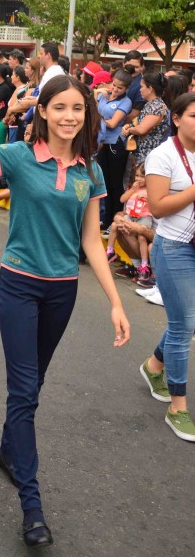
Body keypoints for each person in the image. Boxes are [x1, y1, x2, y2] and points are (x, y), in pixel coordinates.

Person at [0, 69, 130, 548]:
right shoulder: (19, 156)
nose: (68, 115)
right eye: (59, 107)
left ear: (87, 116)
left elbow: (91, 242)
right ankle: (32, 506)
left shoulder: (91, 170)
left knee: (33, 384)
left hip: (62, 291)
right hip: (19, 285)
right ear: (42, 111)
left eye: (77, 108)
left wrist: (117, 303)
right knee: (23, 392)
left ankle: (7, 450)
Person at [141, 93, 195, 442]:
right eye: (193, 115)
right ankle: (178, 405)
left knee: (187, 321)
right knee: (184, 325)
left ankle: (154, 365)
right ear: (176, 119)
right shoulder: (162, 156)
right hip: (174, 249)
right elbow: (158, 208)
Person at [96, 69, 133, 228]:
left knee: (115, 183)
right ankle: (106, 218)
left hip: (115, 144)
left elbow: (112, 123)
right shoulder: (103, 94)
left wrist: (97, 118)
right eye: (114, 85)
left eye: (120, 88)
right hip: (101, 142)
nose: (115, 89)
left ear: (126, 89)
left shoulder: (126, 102)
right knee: (103, 182)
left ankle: (114, 219)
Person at [105, 164, 153, 284]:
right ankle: (110, 251)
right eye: (136, 175)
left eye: (142, 176)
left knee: (142, 236)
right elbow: (122, 200)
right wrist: (133, 190)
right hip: (131, 216)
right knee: (116, 226)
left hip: (144, 218)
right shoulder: (132, 188)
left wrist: (148, 197)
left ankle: (144, 265)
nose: (138, 179)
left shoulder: (152, 190)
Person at [121, 71, 169, 167]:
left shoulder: (157, 106)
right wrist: (129, 126)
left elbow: (141, 129)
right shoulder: (150, 104)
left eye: (142, 86)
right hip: (143, 153)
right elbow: (139, 124)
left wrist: (130, 129)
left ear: (150, 89)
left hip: (149, 155)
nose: (140, 90)